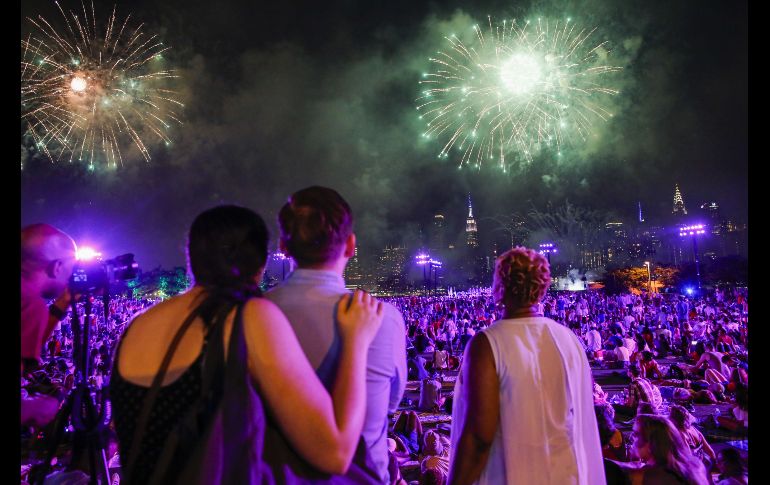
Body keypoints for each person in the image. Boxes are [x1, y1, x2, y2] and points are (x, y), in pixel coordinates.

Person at [110, 205, 384, 483]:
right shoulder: (247, 317)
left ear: (192, 257)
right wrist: (356, 341)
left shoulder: (136, 325)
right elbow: (335, 452)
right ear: (261, 262)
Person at [266, 186, 407, 483]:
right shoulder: (383, 318)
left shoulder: (255, 314)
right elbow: (389, 405)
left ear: (283, 246)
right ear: (350, 245)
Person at [448, 247, 604, 484]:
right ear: (542, 287)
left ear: (500, 288)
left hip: (510, 475)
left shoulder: (488, 343)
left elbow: (479, 436)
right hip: (567, 474)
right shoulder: (568, 339)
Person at [21, 224, 78, 428]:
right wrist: (36, 409)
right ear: (57, 267)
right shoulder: (30, 303)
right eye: (71, 270)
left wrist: (61, 306)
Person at [624, 414, 709, 485]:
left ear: (651, 444)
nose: (632, 438)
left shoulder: (650, 477)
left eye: (636, 434)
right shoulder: (696, 465)